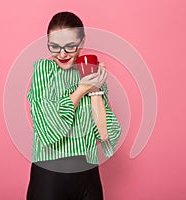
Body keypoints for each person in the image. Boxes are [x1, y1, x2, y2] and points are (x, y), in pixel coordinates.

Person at [26, 11, 121, 200]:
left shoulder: (90, 75)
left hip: (88, 174)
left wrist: (95, 91)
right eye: (54, 47)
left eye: (70, 47)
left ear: (82, 43)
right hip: (50, 175)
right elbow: (50, 130)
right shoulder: (44, 70)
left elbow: (105, 135)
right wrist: (80, 90)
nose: (61, 54)